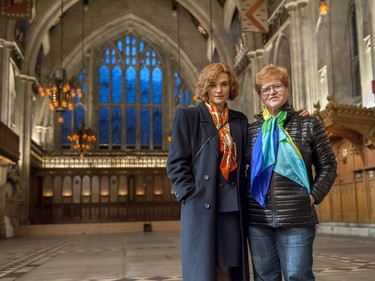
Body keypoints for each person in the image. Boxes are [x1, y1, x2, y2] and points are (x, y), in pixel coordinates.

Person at [246, 64, 337, 281]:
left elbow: (329, 165)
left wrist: (314, 195)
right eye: (265, 89)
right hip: (259, 219)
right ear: (260, 95)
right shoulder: (251, 130)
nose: (272, 93)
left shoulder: (308, 123)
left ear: (287, 89)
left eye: (277, 86)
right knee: (265, 277)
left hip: (297, 217)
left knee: (298, 276)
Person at [166, 63, 250, 281]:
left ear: (231, 87)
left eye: (224, 84)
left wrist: (292, 117)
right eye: (213, 85)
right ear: (205, 87)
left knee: (229, 267)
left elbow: (251, 156)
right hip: (202, 203)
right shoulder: (189, 117)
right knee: (204, 269)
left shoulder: (239, 120)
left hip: (231, 206)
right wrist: (190, 194)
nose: (219, 90)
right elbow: (176, 163)